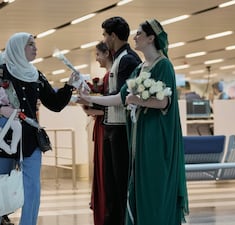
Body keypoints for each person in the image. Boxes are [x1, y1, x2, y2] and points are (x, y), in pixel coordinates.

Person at [79, 19, 189, 225]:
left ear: (150, 38)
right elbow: (119, 97)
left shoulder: (163, 65)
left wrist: (136, 99)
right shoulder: (140, 69)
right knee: (138, 186)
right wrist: (90, 98)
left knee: (155, 185)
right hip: (139, 135)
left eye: (139, 33)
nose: (135, 37)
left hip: (156, 136)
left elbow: (164, 101)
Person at [0, 32, 77, 225]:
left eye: (35, 44)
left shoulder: (36, 75)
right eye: (30, 44)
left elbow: (54, 104)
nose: (35, 48)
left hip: (29, 139)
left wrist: (69, 86)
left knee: (32, 190)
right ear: (18, 48)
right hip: (3, 139)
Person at [93, 16, 141, 225]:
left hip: (121, 130)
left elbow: (122, 97)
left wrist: (93, 100)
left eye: (105, 34)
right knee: (111, 186)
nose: (104, 39)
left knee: (120, 185)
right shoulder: (120, 58)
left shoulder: (128, 59)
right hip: (112, 128)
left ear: (112, 36)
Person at [80, 41, 112, 225]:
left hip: (106, 127)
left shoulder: (110, 77)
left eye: (98, 55)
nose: (97, 59)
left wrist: (93, 107)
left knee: (104, 170)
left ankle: (105, 213)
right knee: (101, 170)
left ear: (106, 53)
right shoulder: (107, 77)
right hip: (101, 127)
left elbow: (116, 106)